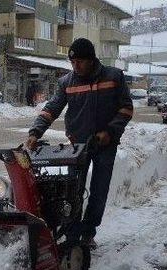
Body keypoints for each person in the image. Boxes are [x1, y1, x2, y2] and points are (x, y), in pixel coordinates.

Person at [25, 38, 133, 248]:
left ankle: (88, 231)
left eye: (80, 62)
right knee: (72, 190)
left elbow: (126, 109)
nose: (76, 66)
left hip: (105, 144)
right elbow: (52, 108)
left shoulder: (113, 77)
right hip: (78, 147)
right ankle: (72, 233)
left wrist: (109, 131)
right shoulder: (66, 82)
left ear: (91, 59)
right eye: (73, 63)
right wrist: (35, 132)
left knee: (99, 190)